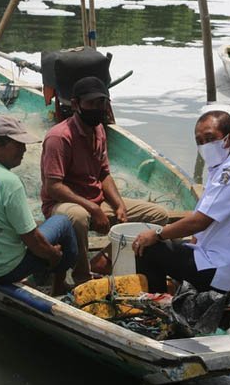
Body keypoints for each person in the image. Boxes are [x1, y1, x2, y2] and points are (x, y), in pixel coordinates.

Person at [40, 76, 169, 285]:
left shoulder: (98, 129)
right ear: (75, 104)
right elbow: (53, 187)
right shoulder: (59, 137)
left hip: (95, 200)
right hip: (62, 204)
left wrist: (118, 204)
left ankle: (104, 259)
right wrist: (94, 209)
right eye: (91, 103)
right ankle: (82, 277)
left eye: (102, 103)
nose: (97, 108)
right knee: (79, 217)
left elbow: (103, 173)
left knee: (158, 215)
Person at [131, 110, 230, 294]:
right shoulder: (225, 165)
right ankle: (177, 294)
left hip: (227, 269)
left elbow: (200, 221)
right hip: (228, 261)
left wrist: (157, 234)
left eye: (210, 138)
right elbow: (200, 222)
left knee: (148, 248)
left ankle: (155, 309)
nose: (205, 145)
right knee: (177, 246)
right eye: (199, 141)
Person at [0, 115, 77, 296]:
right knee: (62, 222)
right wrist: (54, 255)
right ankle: (58, 286)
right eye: (18, 145)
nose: (24, 150)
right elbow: (33, 241)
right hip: (2, 271)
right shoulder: (10, 182)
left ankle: (45, 274)